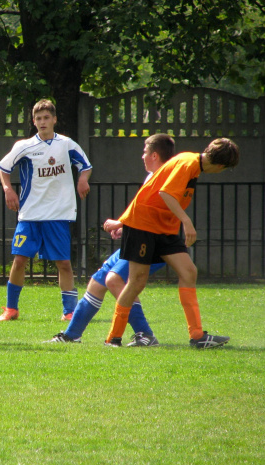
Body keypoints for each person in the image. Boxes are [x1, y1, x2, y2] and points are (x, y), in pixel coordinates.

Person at [103, 138, 240, 348]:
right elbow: (164, 193)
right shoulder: (188, 163)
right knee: (136, 282)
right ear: (221, 166)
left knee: (188, 271)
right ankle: (113, 339)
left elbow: (153, 188)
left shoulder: (193, 167)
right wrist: (187, 222)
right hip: (144, 224)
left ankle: (197, 336)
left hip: (164, 228)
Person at [47, 133, 175, 346]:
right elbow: (143, 212)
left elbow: (153, 216)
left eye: (144, 152)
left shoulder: (163, 178)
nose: (142, 156)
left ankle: (145, 334)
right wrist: (125, 227)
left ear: (154, 155)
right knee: (97, 282)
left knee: (114, 280)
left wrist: (119, 223)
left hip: (152, 244)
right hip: (137, 240)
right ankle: (72, 335)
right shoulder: (153, 176)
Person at [0, 99, 92, 323]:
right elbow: (4, 169)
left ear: (54, 119)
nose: (42, 122)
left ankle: (69, 311)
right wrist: (8, 190)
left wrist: (82, 180)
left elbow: (85, 166)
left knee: (64, 263)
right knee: (19, 260)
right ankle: (11, 309)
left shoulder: (67, 144)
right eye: (38, 118)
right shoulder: (24, 146)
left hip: (58, 215)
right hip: (30, 214)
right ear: (33, 121)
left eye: (46, 117)